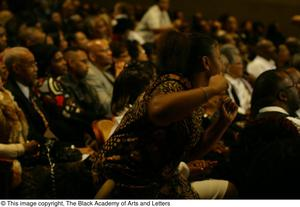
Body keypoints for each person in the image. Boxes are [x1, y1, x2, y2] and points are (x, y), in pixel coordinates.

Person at [98, 30, 237, 198]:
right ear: (206, 63)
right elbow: (157, 109)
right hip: (125, 182)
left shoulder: (191, 94)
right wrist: (212, 89)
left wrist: (222, 123)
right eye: (219, 57)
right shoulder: (172, 83)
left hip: (157, 182)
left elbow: (190, 153)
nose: (223, 64)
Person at [231, 67, 300, 197]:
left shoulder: (246, 131)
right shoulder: (295, 126)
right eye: (294, 86)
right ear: (283, 96)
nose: (298, 89)